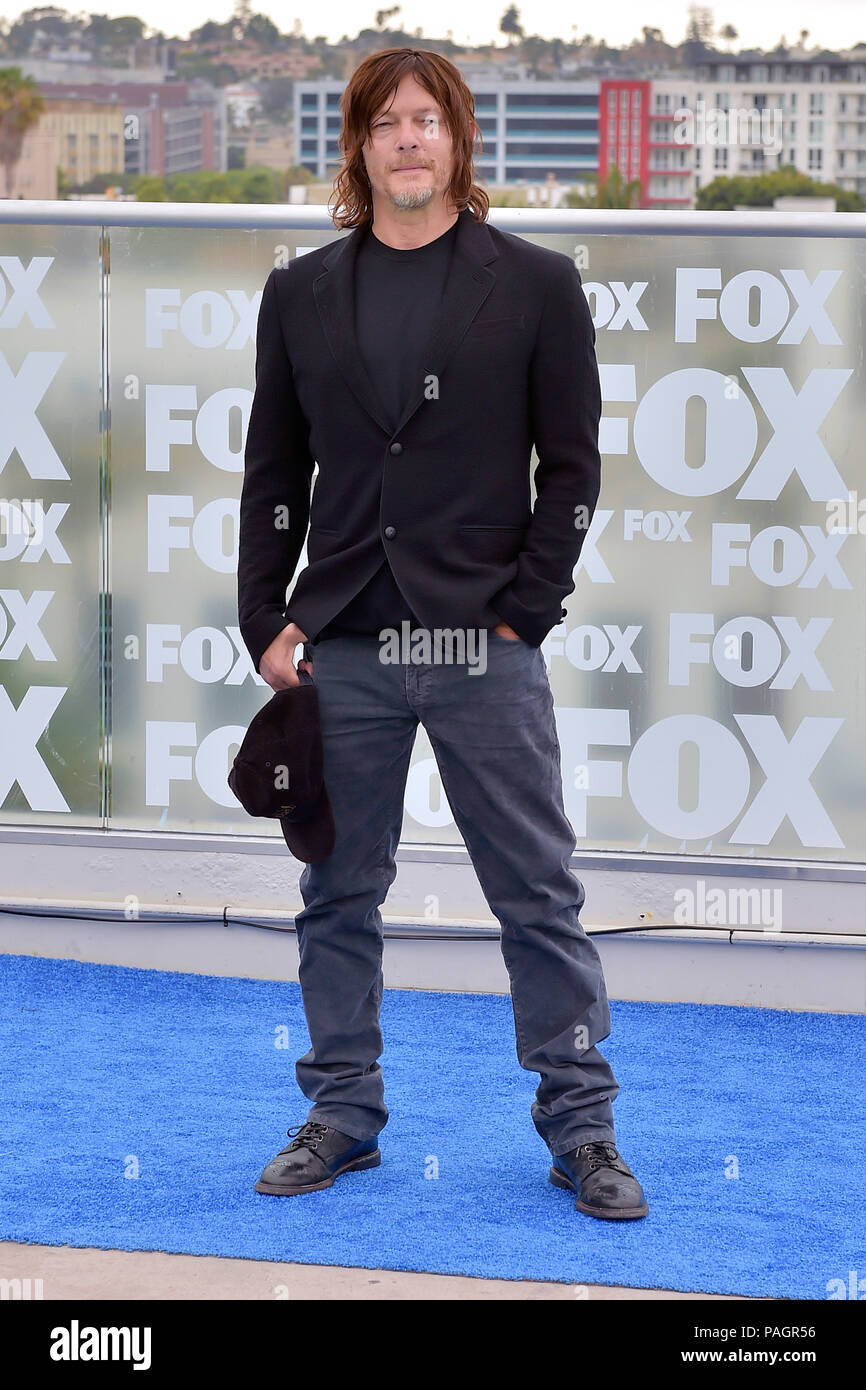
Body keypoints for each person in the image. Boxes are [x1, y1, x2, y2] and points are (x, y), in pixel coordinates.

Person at [237, 47, 648, 1221]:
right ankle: (343, 1115)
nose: (408, 139)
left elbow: (570, 468)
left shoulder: (532, 283)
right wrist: (264, 615)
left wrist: (527, 610)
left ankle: (582, 1126)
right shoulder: (301, 292)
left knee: (535, 896)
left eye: (428, 121)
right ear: (358, 147)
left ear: (458, 144)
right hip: (347, 640)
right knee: (336, 892)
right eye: (386, 124)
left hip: (483, 641)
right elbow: (275, 471)